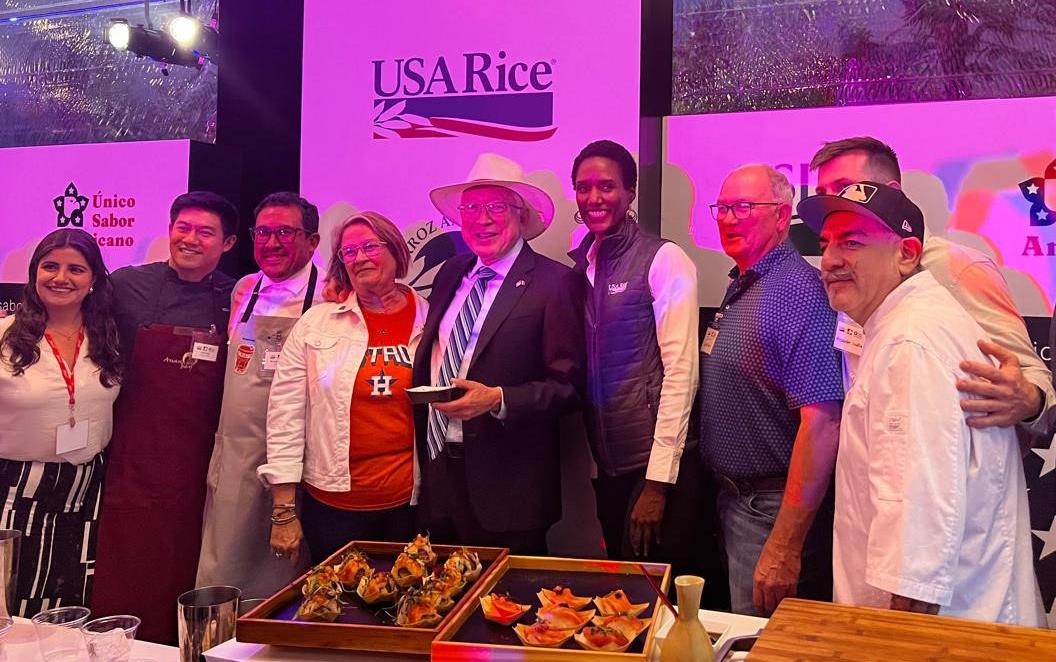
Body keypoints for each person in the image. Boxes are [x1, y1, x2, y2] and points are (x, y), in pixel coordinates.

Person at [799, 181, 1043, 626]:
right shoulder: (904, 324)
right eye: (826, 244)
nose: (830, 260)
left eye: (852, 242)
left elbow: (917, 543)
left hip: (937, 634)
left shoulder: (910, 342)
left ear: (907, 254)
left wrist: (899, 640)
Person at [811, 137, 1055, 442]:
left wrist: (1031, 400)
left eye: (845, 187)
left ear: (893, 192)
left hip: (954, 472)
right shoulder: (848, 275)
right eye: (822, 193)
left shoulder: (958, 267)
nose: (833, 201)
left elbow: (1033, 381)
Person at [413, 153, 584, 554]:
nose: (482, 218)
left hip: (510, 489)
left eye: (495, 207)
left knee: (508, 611)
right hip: (439, 474)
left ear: (522, 216)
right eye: (471, 207)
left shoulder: (555, 282)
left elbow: (570, 386)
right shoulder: (450, 274)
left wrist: (498, 399)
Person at [92, 191, 237, 643]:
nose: (190, 239)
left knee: (184, 566)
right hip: (131, 459)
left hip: (197, 464)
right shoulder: (125, 284)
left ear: (227, 243)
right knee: (126, 568)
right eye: (183, 228)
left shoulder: (237, 296)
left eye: (205, 232)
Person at [698, 164, 844, 616]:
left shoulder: (798, 292)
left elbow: (822, 423)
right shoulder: (748, 281)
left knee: (762, 642)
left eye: (744, 207)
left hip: (769, 511)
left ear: (783, 217)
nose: (728, 218)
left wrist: (784, 545)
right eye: (722, 208)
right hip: (735, 503)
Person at [566, 140, 708, 571]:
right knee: (622, 606)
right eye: (583, 187)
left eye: (606, 186)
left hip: (653, 472)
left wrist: (658, 482)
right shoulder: (581, 269)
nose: (594, 198)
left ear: (630, 193)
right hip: (609, 469)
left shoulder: (665, 259)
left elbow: (682, 373)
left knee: (659, 610)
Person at [261, 211, 427, 563]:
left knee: (411, 610)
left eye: (370, 246)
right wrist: (284, 510)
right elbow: (285, 417)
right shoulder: (316, 323)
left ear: (396, 249)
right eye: (348, 253)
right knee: (339, 610)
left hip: (412, 506)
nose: (360, 258)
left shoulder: (432, 316)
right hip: (334, 508)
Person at [196, 192, 324, 596]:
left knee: (287, 571)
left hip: (297, 457)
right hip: (236, 453)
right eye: (263, 232)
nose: (271, 243)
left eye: (285, 232)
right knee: (224, 560)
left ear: (313, 242)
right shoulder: (243, 290)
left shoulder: (331, 295)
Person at [0, 229, 121, 616]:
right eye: (49, 266)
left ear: (94, 280)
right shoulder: (4, 335)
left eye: (76, 269)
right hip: (16, 491)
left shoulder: (108, 338)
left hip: (87, 492)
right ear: (34, 273)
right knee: (11, 604)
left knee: (73, 604)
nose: (61, 278)